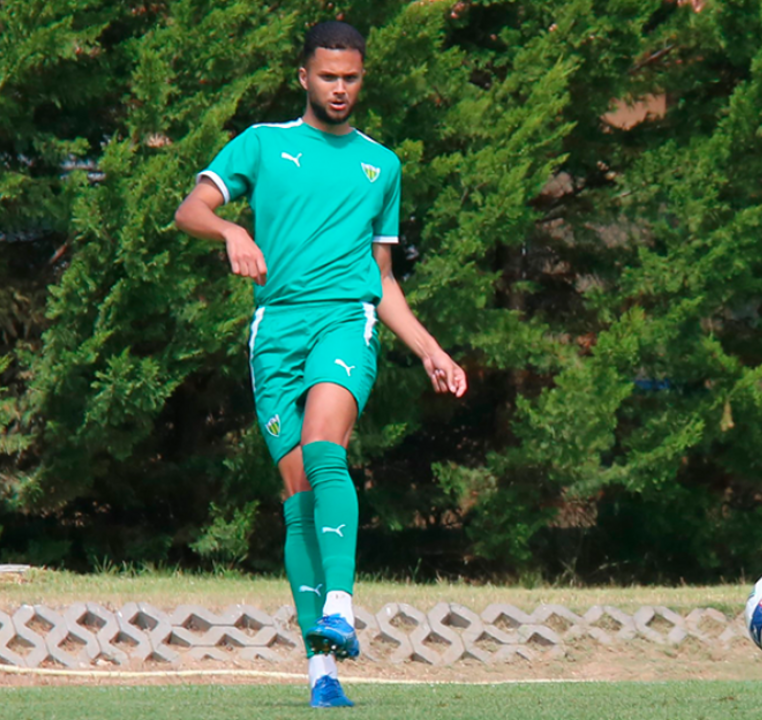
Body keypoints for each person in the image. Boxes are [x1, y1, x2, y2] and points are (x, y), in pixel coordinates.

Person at [174, 20, 466, 708]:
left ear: (363, 79)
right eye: (328, 76)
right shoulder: (262, 143)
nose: (340, 88)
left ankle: (340, 603)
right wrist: (231, 229)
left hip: (344, 320)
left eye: (351, 77)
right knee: (298, 495)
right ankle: (322, 671)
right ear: (303, 76)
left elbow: (382, 278)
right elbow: (190, 209)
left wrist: (430, 349)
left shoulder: (381, 165)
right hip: (276, 332)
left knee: (323, 446)